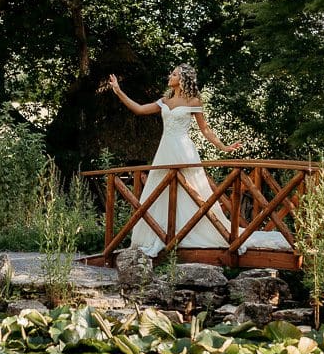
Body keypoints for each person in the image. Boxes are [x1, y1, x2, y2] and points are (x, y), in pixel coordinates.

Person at [108, 65, 291, 257]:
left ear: (183, 79)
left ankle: (187, 234)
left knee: (190, 194)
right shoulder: (164, 100)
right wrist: (119, 91)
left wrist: (224, 147)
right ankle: (161, 236)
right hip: (164, 151)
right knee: (159, 192)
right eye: (171, 73)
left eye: (174, 74)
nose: (170, 76)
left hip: (183, 151)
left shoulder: (193, 101)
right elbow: (139, 109)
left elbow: (205, 130)